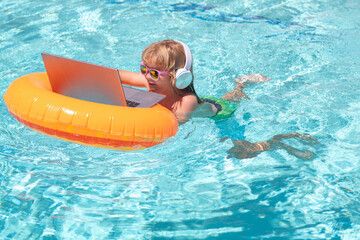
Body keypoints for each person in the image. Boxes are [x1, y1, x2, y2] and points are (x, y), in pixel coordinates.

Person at [118, 39, 318, 160]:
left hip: (222, 116)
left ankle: (282, 140)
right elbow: (119, 75)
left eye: (153, 73)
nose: (146, 76)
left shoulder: (186, 102)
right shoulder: (151, 81)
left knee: (246, 150)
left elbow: (169, 125)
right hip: (207, 103)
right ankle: (240, 85)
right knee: (229, 97)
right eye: (143, 69)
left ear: (177, 78)